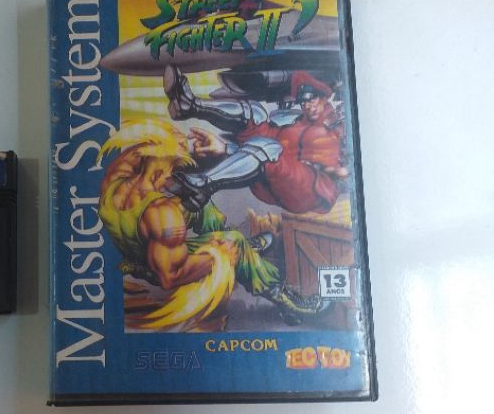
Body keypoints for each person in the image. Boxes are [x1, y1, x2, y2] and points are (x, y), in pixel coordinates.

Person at [97, 118, 327, 329]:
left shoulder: (115, 178)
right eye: (175, 168)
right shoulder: (163, 213)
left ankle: (243, 252)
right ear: (162, 169)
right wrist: (219, 255)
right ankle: (286, 300)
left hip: (138, 249)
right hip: (160, 267)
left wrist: (188, 151)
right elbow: (170, 277)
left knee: (200, 204)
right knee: (235, 241)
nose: (176, 174)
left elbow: (147, 154)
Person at [164, 66, 348, 215]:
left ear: (323, 96)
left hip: (309, 189)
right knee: (256, 113)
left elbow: (271, 153)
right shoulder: (297, 122)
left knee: (269, 148)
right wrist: (226, 148)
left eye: (311, 99)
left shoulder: (336, 125)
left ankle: (203, 186)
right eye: (303, 102)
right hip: (277, 175)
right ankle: (190, 105)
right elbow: (265, 149)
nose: (307, 106)